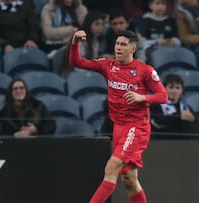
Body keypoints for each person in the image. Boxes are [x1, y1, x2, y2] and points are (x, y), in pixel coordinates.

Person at [69, 30, 168, 202]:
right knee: (129, 179)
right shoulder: (107, 66)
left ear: (133, 49)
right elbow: (76, 61)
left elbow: (163, 96)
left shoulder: (144, 70)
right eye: (117, 44)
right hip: (119, 127)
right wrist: (75, 42)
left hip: (136, 127)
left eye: (123, 44)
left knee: (111, 167)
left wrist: (142, 97)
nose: (118, 48)